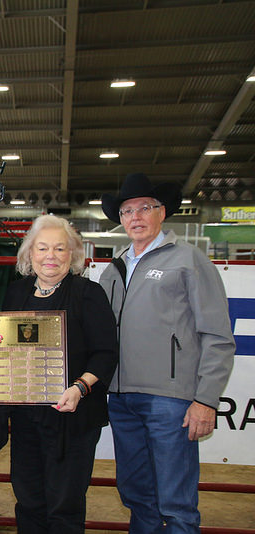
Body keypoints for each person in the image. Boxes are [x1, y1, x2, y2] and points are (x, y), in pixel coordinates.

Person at [97, 173, 235, 533]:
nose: (136, 216)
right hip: (122, 398)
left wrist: (205, 399)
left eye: (145, 207)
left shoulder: (189, 260)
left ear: (162, 213)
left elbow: (218, 336)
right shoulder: (114, 269)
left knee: (175, 502)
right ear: (121, 220)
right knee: (136, 494)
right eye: (127, 211)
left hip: (170, 400)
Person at [0, 214, 118, 533]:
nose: (50, 256)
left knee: (64, 505)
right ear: (30, 254)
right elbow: (10, 343)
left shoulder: (89, 293)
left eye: (60, 249)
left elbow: (106, 353)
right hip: (27, 416)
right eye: (42, 248)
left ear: (72, 254)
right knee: (28, 500)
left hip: (71, 417)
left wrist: (80, 388)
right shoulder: (16, 293)